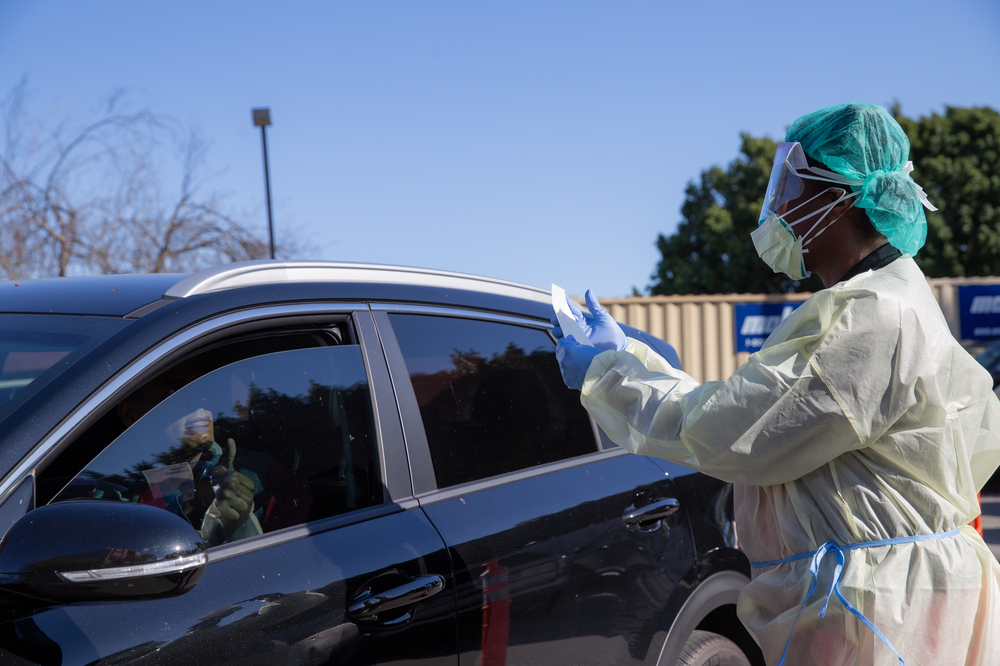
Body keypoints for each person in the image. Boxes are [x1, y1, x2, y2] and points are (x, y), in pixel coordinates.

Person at [554, 103, 1000, 665]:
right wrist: (633, 357)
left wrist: (610, 373)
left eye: (792, 184)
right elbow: (758, 410)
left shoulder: (870, 317)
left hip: (877, 618)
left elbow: (729, 432)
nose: (781, 206)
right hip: (883, 602)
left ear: (839, 197)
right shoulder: (884, 302)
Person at [116, 359, 262, 546]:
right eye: (175, 391)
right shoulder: (111, 499)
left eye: (201, 386)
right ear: (131, 414)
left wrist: (240, 527)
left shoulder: (264, 476)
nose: (198, 400)